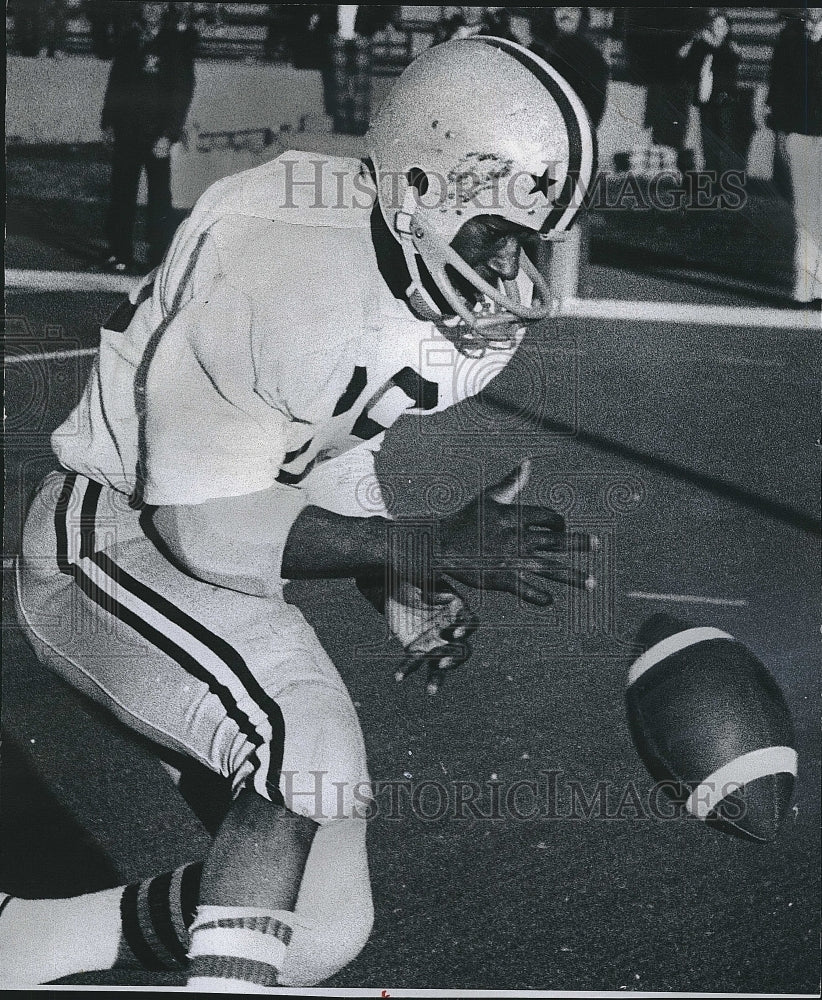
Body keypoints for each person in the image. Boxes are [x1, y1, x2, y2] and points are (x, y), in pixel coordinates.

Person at [3, 38, 595, 990]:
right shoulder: (278, 259)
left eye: (528, 238)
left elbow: (330, 440)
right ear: (419, 188)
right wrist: (428, 543)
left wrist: (399, 583)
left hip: (198, 528)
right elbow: (200, 529)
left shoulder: (411, 273)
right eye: (496, 230)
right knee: (296, 734)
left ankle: (21, 945)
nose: (514, 266)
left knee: (322, 923)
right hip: (104, 534)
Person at [100, 2, 196, 273]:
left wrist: (169, 134)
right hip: (126, 131)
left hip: (156, 134)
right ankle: (119, 251)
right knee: (121, 193)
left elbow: (182, 92)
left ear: (165, 9)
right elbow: (115, 83)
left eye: (157, 5)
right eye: (147, 5)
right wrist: (108, 122)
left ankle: (159, 256)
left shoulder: (175, 43)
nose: (151, 10)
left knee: (158, 198)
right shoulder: (130, 39)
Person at [766, 8, 822, 305]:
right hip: (799, 135)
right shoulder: (788, 43)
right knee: (806, 210)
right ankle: (804, 287)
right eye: (811, 16)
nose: (814, 20)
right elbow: (777, 91)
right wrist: (780, 134)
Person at [680, 10, 742, 180]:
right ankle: (712, 177)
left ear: (728, 28)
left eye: (723, 25)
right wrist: (698, 44)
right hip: (706, 99)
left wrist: (710, 46)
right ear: (711, 27)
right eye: (716, 25)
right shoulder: (702, 45)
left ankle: (727, 179)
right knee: (707, 140)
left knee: (725, 140)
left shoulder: (731, 48)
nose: (720, 28)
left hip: (725, 100)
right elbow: (689, 66)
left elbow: (729, 63)